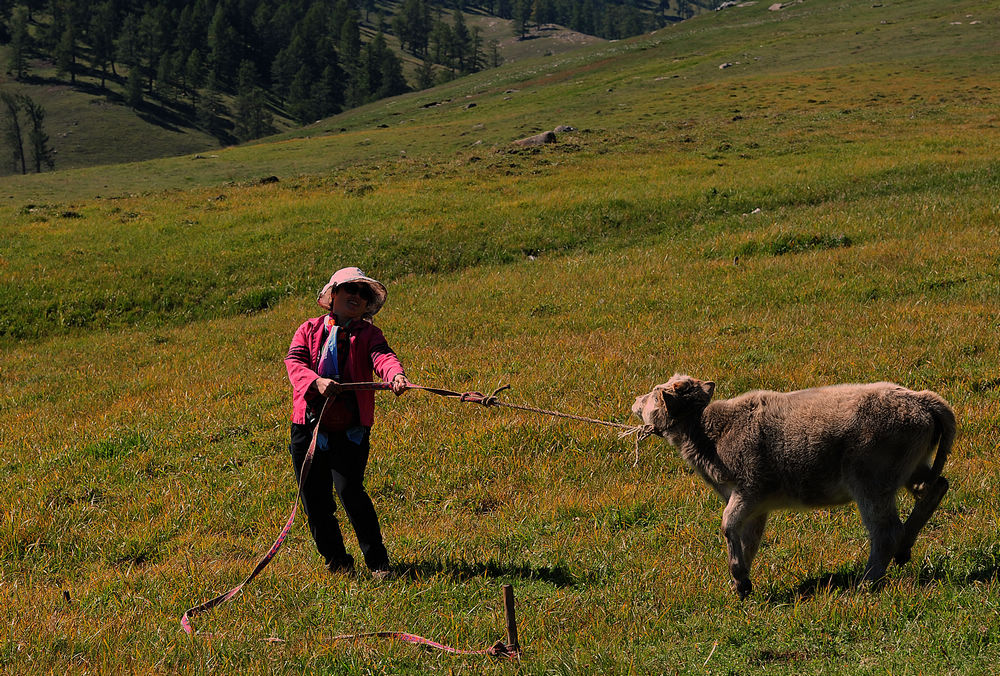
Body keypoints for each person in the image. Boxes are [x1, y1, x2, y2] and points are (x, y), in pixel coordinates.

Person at [284, 267, 409, 579]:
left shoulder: (369, 335)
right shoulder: (308, 330)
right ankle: (337, 561)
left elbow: (383, 357)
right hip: (308, 427)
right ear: (333, 295)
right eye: (350, 289)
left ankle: (378, 563)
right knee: (315, 500)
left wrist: (394, 375)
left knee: (351, 491)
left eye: (363, 293)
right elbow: (294, 363)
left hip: (350, 431)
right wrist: (315, 382)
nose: (356, 296)